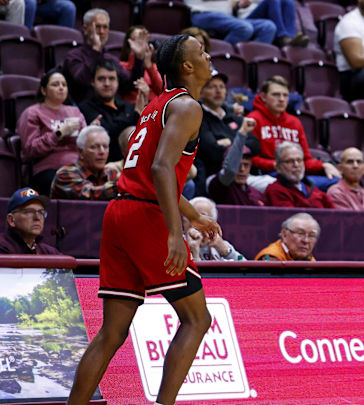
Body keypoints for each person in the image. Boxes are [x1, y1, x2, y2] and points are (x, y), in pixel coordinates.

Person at [68, 34, 221, 405]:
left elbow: (151, 175)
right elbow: (161, 168)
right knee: (198, 320)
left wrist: (193, 215)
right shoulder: (187, 107)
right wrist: (174, 231)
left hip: (120, 211)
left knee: (112, 332)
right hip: (145, 218)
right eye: (201, 51)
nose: (208, 55)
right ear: (186, 66)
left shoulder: (158, 104)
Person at [247, 76, 340, 189]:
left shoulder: (294, 122)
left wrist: (324, 165)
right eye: (276, 95)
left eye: (285, 95)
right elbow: (250, 158)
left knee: (337, 183)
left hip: (296, 174)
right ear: (263, 97)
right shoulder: (253, 120)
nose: (281, 99)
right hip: (269, 175)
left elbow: (305, 160)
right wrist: (276, 165)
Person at [18, 70, 89, 196]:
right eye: (55, 84)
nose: (61, 88)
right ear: (44, 90)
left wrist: (91, 133)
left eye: (64, 84)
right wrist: (58, 134)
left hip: (79, 167)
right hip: (48, 170)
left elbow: (85, 144)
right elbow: (30, 149)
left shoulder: (75, 112)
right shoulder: (33, 113)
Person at [63, 8, 146, 103]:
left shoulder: (110, 58)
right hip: (82, 110)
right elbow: (83, 82)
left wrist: (139, 58)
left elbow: (130, 85)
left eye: (105, 27)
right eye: (97, 27)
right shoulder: (74, 55)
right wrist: (95, 50)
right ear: (85, 29)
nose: (101, 32)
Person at [79, 59, 149, 162]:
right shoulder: (85, 109)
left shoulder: (129, 107)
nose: (107, 83)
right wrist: (136, 115)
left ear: (118, 82)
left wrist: (146, 105)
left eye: (111, 79)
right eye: (101, 79)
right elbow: (109, 135)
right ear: (92, 82)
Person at [196, 70, 251, 195]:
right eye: (212, 87)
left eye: (221, 87)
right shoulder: (198, 116)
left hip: (243, 174)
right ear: (201, 92)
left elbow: (255, 145)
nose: (218, 91)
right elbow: (212, 151)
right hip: (214, 176)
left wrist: (229, 142)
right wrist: (238, 140)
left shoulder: (233, 117)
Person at [50, 126, 120, 200]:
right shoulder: (64, 174)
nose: (102, 152)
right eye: (94, 147)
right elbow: (89, 194)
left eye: (105, 146)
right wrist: (121, 185)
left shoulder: (111, 172)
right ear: (81, 152)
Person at [263, 142, 336, 208]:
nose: (296, 165)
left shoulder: (311, 187)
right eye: (289, 161)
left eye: (299, 160)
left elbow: (334, 215)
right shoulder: (275, 191)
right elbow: (292, 219)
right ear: (278, 167)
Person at [207, 131, 266, 206]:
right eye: (237, 165)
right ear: (224, 165)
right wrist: (243, 132)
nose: (242, 169)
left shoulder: (256, 193)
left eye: (246, 165)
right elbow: (229, 171)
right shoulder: (219, 187)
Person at [185, 0, 276, 45]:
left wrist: (238, 5)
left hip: (228, 18)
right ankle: (222, 58)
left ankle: (251, 65)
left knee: (268, 27)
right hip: (203, 14)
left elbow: (229, 5)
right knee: (244, 28)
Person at [0, 187, 60, 255]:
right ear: (11, 220)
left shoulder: (47, 252)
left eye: (41, 212)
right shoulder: (3, 247)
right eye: (29, 212)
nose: (37, 218)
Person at [234, 0, 308, 46]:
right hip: (246, 18)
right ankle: (282, 37)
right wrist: (238, 5)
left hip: (266, 18)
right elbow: (231, 7)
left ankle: (291, 36)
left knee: (288, 1)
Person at [119, 25, 163, 104]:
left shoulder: (155, 67)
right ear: (129, 43)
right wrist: (137, 57)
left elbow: (163, 92)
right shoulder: (121, 66)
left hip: (154, 109)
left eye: (145, 39)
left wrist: (149, 67)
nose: (142, 43)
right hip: (131, 108)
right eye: (137, 39)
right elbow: (129, 84)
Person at [255, 212, 320, 261]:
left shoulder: (309, 259)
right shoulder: (271, 258)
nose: (306, 240)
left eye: (311, 235)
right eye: (300, 233)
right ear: (284, 234)